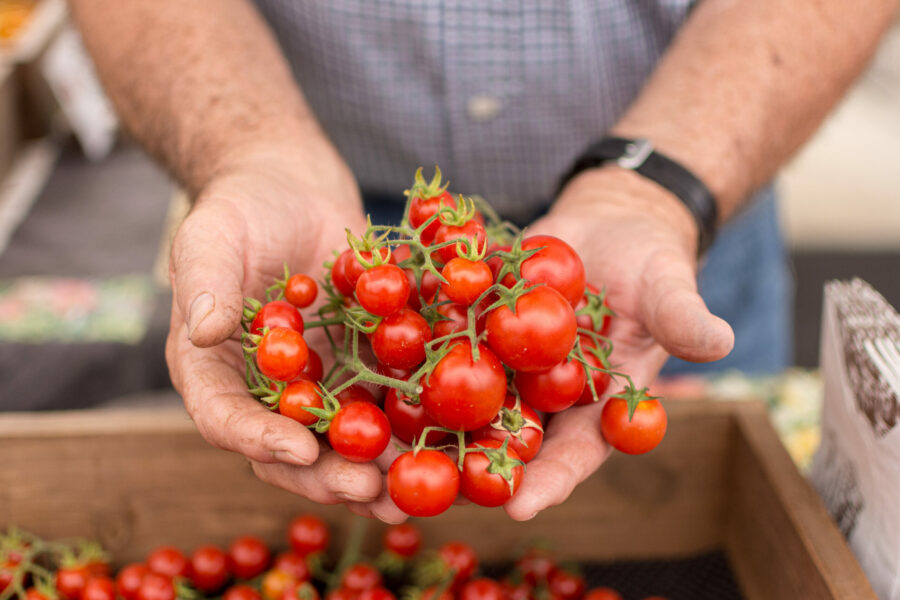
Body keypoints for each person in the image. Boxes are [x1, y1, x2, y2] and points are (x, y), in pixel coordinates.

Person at [69, 0, 898, 523]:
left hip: (681, 199)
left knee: (714, 484)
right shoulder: (386, 310)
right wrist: (253, 154)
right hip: (325, 212)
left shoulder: (455, 339)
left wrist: (656, 192)